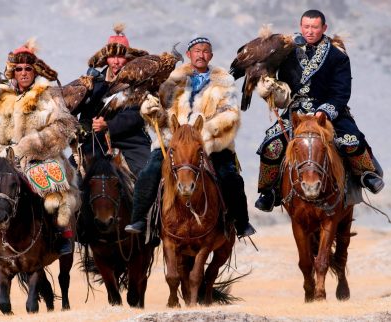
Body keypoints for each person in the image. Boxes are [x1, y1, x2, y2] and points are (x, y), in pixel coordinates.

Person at [125, 37, 256, 238]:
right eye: (197, 51)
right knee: (149, 172)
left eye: (205, 51)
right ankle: (139, 220)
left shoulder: (224, 82)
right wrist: (152, 112)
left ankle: (241, 223)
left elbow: (230, 113)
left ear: (210, 56)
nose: (201, 54)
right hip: (173, 141)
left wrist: (207, 132)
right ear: (189, 55)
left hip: (211, 143)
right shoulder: (172, 81)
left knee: (230, 177)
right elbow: (163, 115)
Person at [255, 9, 385, 212]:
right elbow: (271, 75)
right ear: (300, 27)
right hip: (295, 113)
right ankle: (269, 191)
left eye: (314, 27)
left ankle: (366, 174)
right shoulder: (287, 52)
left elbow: (342, 92)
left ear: (324, 28)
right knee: (271, 145)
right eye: (306, 27)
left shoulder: (337, 57)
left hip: (329, 112)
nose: (310, 31)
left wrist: (325, 111)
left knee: (351, 140)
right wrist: (269, 87)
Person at [0, 39, 79, 259]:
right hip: (3, 159)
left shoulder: (49, 95)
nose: (24, 73)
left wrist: (31, 144)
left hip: (40, 157)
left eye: (28, 68)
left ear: (34, 71)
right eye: (19, 69)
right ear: (13, 72)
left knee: (52, 184)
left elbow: (63, 127)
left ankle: (62, 236)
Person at [73, 24, 151, 177]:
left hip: (131, 140)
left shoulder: (140, 82)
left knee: (149, 175)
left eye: (121, 56)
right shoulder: (93, 82)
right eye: (112, 56)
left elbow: (136, 115)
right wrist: (83, 128)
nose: (116, 61)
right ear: (106, 58)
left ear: (128, 58)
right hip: (97, 141)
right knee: (72, 174)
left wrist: (108, 125)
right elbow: (87, 116)